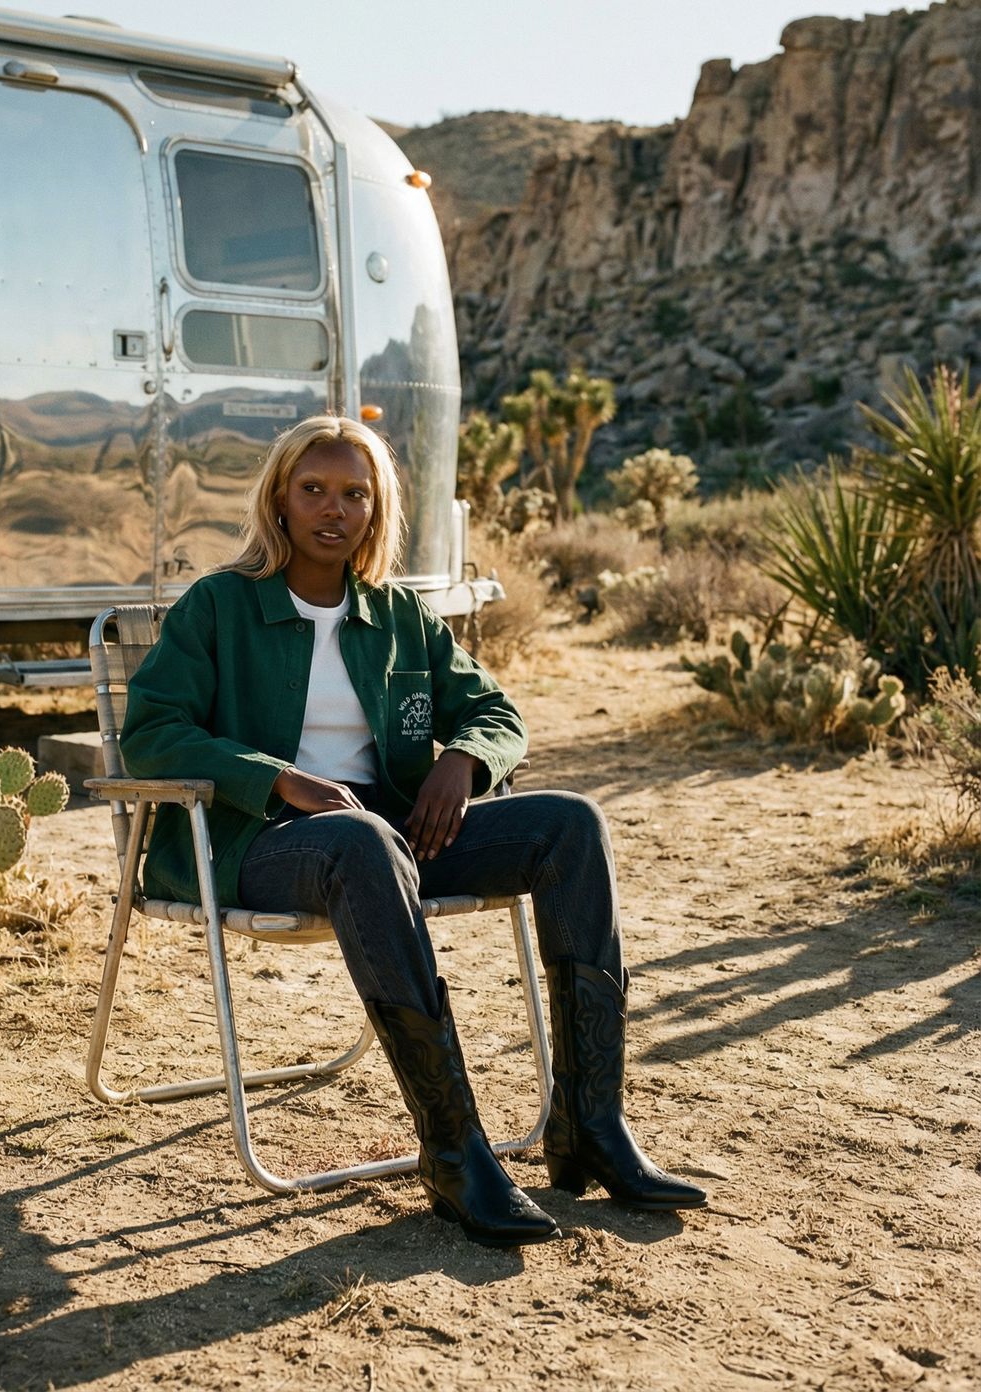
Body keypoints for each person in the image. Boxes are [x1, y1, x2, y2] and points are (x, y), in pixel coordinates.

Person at [121, 415, 705, 1248]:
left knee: (570, 823)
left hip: (389, 838)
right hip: (261, 844)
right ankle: (454, 1149)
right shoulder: (220, 606)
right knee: (362, 844)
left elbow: (495, 713)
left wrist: (461, 761)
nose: (333, 508)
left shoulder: (399, 615)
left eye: (354, 493)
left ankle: (591, 1129)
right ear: (278, 501)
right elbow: (152, 730)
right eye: (313, 489)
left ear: (377, 508)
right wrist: (274, 776)